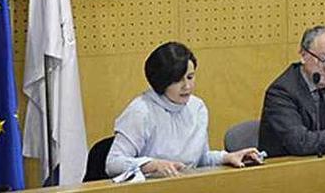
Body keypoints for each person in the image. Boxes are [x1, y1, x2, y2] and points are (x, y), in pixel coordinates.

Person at [105, 42, 261, 180]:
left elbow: (200, 160)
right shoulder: (141, 111)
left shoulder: (197, 107)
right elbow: (113, 163)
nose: (187, 86)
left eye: (190, 77)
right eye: (178, 80)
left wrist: (227, 157)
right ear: (161, 81)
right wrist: (151, 165)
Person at [258, 25, 325, 157]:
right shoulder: (281, 92)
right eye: (323, 60)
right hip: (289, 171)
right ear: (304, 55)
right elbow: (299, 143)